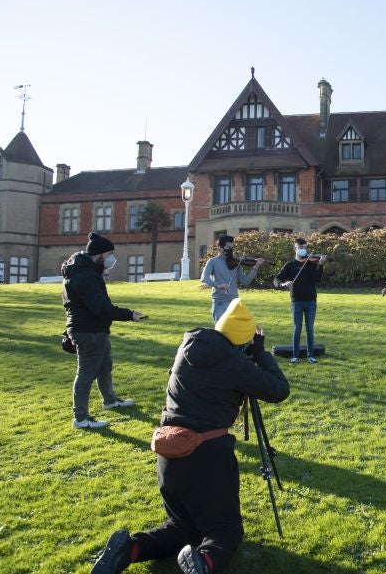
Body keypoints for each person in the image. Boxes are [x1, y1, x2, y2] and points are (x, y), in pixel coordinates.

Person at [91, 297, 290, 574]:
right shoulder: (235, 364)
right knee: (226, 531)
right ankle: (204, 563)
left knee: (182, 529)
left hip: (168, 450)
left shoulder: (188, 347)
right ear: (243, 341)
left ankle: (130, 549)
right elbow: (279, 390)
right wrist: (261, 354)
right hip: (207, 455)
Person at [62, 232, 146, 429]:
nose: (111, 259)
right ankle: (81, 418)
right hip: (88, 331)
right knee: (86, 373)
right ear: (99, 255)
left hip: (95, 329)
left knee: (104, 366)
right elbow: (100, 306)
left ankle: (110, 400)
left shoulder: (86, 271)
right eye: (109, 254)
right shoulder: (85, 275)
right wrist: (129, 314)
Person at [273, 238, 329, 364]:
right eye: (300, 247)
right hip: (296, 300)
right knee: (297, 328)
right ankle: (295, 355)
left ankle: (310, 355)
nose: (303, 250)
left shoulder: (311, 263)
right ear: (295, 248)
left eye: (305, 247)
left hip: (310, 300)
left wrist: (320, 264)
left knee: (309, 328)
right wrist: (283, 284)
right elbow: (276, 279)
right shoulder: (290, 265)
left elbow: (317, 278)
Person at [201, 234, 263, 323]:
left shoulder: (236, 262)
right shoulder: (212, 262)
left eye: (232, 247)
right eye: (228, 247)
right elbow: (204, 278)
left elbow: (245, 281)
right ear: (220, 248)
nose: (231, 250)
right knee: (221, 330)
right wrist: (218, 285)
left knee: (234, 332)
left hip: (234, 301)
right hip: (219, 301)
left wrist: (255, 267)